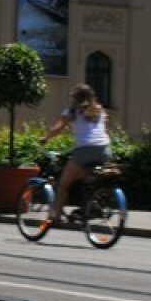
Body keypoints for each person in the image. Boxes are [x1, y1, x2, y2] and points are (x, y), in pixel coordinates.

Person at [41, 83, 112, 224]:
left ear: (75, 98)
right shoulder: (99, 110)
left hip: (84, 150)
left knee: (63, 184)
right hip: (104, 149)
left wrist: (45, 138)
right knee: (85, 178)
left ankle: (55, 216)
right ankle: (90, 205)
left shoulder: (72, 112)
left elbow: (58, 128)